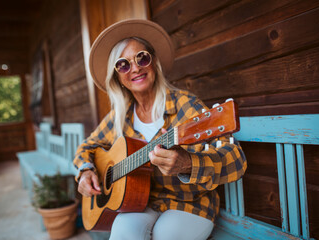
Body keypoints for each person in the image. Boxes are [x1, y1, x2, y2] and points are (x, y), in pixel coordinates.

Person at [73, 19, 247, 240]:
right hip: (141, 203)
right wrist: (86, 170)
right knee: (121, 233)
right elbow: (86, 147)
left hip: (189, 205)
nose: (135, 68)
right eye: (123, 64)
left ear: (154, 62)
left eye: (142, 58)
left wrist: (188, 164)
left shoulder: (186, 105)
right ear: (118, 77)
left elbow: (236, 159)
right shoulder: (120, 116)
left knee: (165, 235)